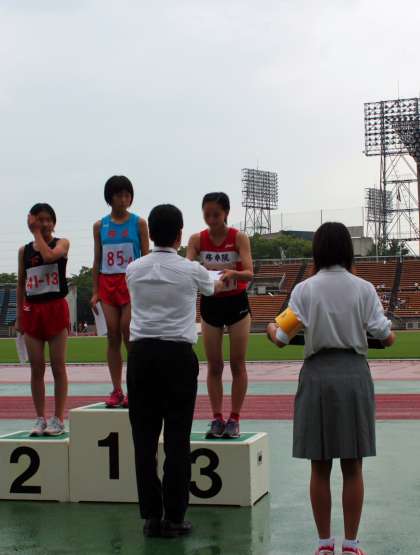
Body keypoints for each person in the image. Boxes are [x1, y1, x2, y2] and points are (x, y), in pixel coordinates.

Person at [267, 222, 396, 555]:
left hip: (317, 375)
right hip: (353, 374)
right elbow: (386, 336)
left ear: (318, 251)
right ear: (348, 251)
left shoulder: (305, 290)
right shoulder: (364, 289)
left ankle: (324, 544)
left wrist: (269, 327)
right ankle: (351, 544)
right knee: (353, 466)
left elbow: (280, 338)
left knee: (319, 465)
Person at [126, 204, 224, 538]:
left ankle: (151, 516)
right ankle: (175, 516)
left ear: (151, 234)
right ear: (180, 234)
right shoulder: (192, 270)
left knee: (144, 441)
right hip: (178, 357)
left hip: (141, 356)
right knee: (177, 440)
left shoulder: (133, 269)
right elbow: (213, 287)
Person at [187, 192, 253, 438]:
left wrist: (233, 273)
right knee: (214, 365)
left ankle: (234, 418)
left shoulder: (239, 238)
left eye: (216, 214)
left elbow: (250, 272)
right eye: (207, 215)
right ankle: (216, 418)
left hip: (236, 303)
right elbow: (187, 266)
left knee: (237, 363)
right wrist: (199, 270)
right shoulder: (197, 239)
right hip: (211, 304)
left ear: (226, 213)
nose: (211, 219)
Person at [91, 175, 149, 408]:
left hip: (131, 283)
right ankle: (117, 390)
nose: (124, 199)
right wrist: (95, 291)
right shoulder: (100, 226)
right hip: (107, 284)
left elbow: (146, 257)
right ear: (110, 198)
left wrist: (145, 286)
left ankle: (136, 388)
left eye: (127, 195)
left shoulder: (139, 223)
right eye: (119, 195)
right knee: (112, 336)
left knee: (129, 333)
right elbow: (97, 259)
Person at [16, 203, 70, 436]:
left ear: (54, 223)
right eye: (40, 219)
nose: (45, 224)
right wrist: (19, 316)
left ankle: (58, 418)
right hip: (32, 311)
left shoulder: (62, 243)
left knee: (58, 366)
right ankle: (40, 418)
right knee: (36, 368)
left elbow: (48, 257)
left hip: (55, 309)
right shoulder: (24, 251)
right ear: (32, 221)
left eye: (48, 219)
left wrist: (36, 232)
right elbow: (21, 283)